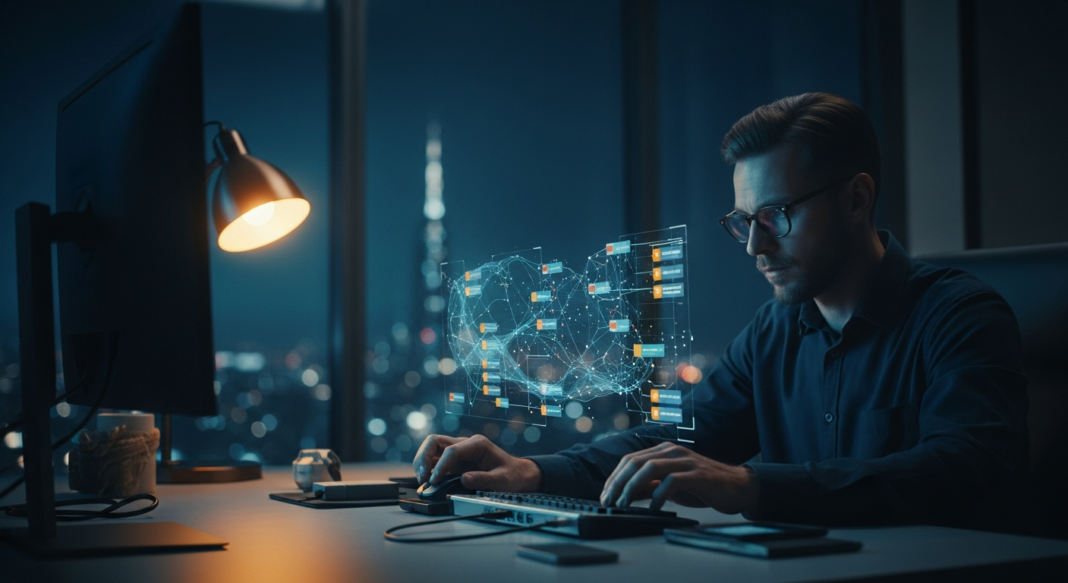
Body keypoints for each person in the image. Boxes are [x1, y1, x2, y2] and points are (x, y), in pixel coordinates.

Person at [413, 92, 1028, 528]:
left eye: (777, 215)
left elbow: (966, 468)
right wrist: (532, 471)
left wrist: (751, 485)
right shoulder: (777, 330)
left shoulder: (959, 316)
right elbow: (685, 437)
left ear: (857, 199)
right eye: (744, 222)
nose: (757, 246)